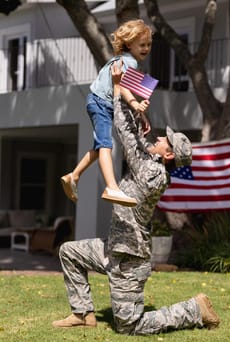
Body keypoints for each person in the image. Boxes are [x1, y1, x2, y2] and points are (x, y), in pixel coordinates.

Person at [52, 63, 220, 334]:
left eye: (166, 140)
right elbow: (137, 141)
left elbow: (125, 134)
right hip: (114, 249)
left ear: (168, 155)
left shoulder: (152, 172)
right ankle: (82, 313)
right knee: (69, 252)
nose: (161, 137)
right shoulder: (153, 165)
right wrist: (136, 111)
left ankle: (194, 309)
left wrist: (118, 87)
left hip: (129, 260)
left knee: (130, 325)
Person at [60, 19, 152, 207]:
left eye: (149, 44)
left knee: (98, 148)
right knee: (105, 144)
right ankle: (111, 187)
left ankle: (73, 175)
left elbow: (127, 90)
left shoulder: (125, 60)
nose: (146, 48)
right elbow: (125, 89)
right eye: (142, 44)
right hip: (101, 103)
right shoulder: (129, 62)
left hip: (98, 101)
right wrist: (136, 105)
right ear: (129, 44)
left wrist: (141, 115)